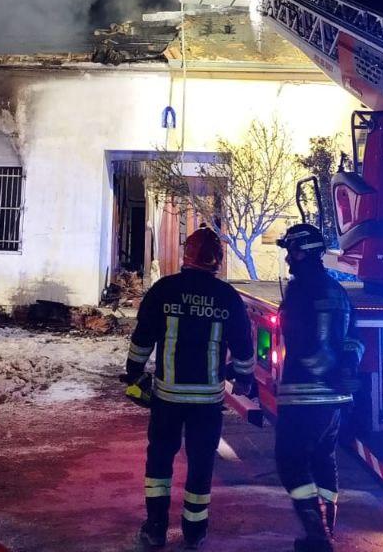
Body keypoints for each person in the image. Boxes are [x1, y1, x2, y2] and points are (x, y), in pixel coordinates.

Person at [125, 226, 256, 550]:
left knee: (159, 460)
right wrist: (245, 379)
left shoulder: (164, 290)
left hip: (167, 397)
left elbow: (142, 338)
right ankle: (195, 532)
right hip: (207, 402)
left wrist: (134, 373)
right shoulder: (227, 298)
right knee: (201, 463)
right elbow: (243, 346)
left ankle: (156, 528)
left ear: (186, 255)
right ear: (217, 262)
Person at [273, 223, 364, 552]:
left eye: (291, 251)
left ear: (305, 252)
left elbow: (301, 344)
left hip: (304, 396)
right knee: (324, 459)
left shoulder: (300, 292)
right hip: (336, 398)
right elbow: (354, 338)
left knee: (290, 462)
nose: (288, 259)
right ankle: (327, 530)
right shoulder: (338, 291)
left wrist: (322, 373)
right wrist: (347, 368)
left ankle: (318, 535)